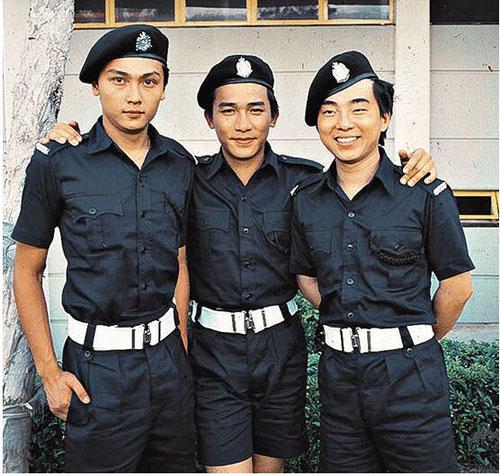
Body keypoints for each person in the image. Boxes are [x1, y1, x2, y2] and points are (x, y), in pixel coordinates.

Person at [42, 54, 437, 473]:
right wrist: (70, 141)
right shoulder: (185, 177)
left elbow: (361, 185)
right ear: (210, 119)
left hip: (281, 352)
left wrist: (415, 163)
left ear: (274, 117)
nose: (243, 124)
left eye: (256, 110)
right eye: (228, 110)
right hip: (214, 355)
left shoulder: (305, 182)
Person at [12, 25, 195, 472]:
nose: (134, 96)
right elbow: (27, 270)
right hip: (99, 373)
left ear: (164, 89)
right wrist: (49, 373)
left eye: (149, 81)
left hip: (168, 367)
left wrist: (181, 351)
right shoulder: (58, 163)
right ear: (96, 86)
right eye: (119, 80)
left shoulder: (179, 165)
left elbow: (180, 261)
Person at [290, 50, 474, 472]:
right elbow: (306, 276)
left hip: (411, 380)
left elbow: (458, 286)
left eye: (359, 108)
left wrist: (412, 338)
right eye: (329, 111)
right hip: (339, 378)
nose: (344, 123)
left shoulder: (424, 193)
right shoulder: (306, 200)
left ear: (384, 117)